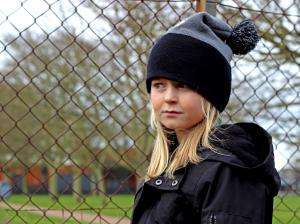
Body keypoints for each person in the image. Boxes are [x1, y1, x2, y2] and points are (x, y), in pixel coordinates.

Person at [131, 12, 281, 224]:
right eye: (159, 85)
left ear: (210, 95)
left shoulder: (227, 173)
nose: (169, 97)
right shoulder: (168, 167)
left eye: (182, 85)